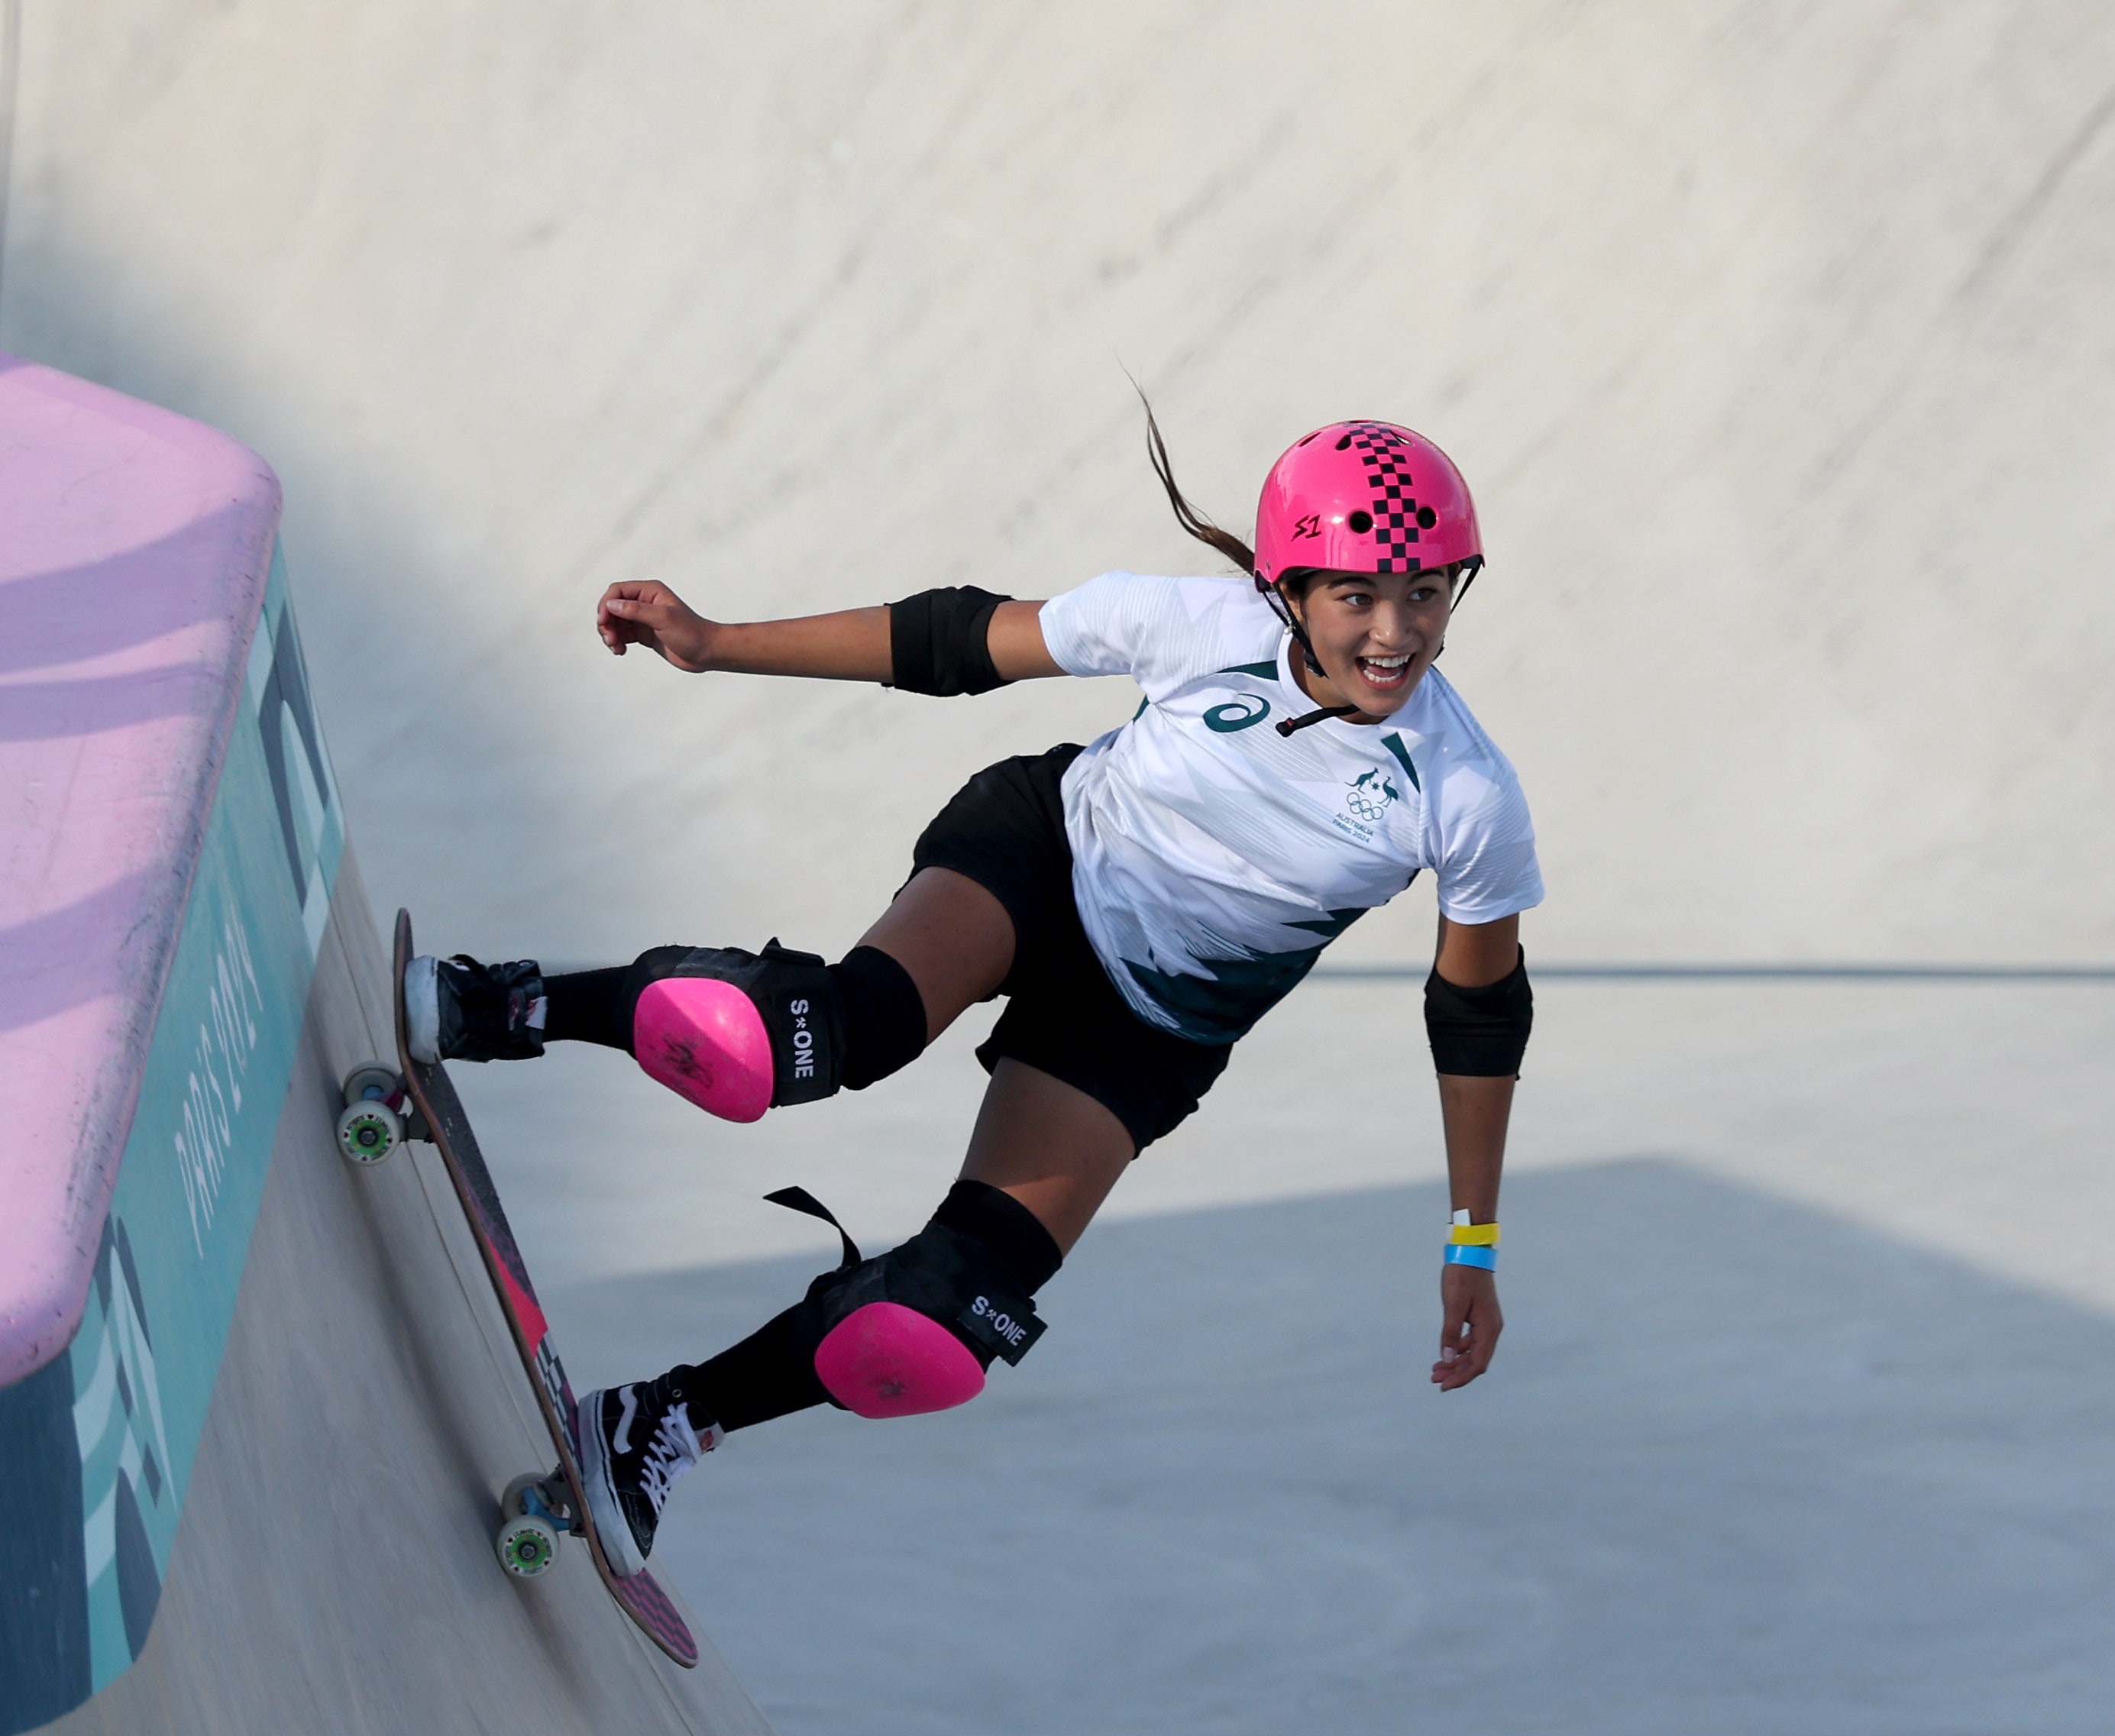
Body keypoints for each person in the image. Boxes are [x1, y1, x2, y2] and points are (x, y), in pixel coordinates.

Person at [406, 415, 1543, 1576]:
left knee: (940, 1322)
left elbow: (1477, 1021)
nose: (1395, 633)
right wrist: (713, 641)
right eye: (1357, 597)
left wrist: (1475, 1239)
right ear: (1287, 585)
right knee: (822, 1036)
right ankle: (505, 1007)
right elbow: (952, 641)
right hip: (1042, 861)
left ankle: (657, 1421)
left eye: (1424, 595)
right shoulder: (1198, 625)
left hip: (1145, 1032)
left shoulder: (1463, 795)